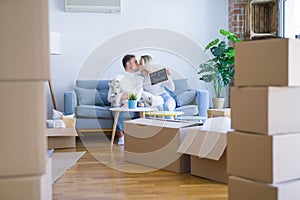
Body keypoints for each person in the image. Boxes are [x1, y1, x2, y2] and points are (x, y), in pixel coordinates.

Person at [107, 54, 144, 145]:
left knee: (142, 104)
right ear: (128, 64)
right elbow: (109, 98)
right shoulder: (118, 77)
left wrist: (131, 102)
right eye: (135, 62)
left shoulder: (139, 78)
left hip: (134, 102)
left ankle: (138, 135)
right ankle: (120, 135)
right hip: (120, 103)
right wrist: (121, 99)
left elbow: (139, 94)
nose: (137, 64)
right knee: (115, 105)